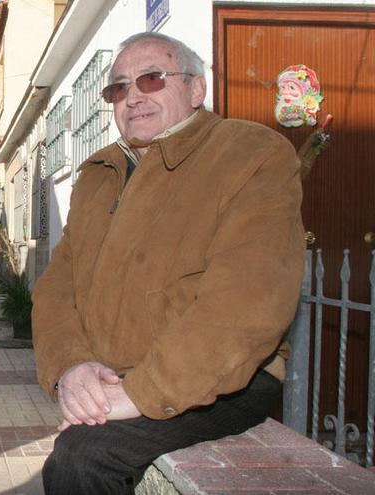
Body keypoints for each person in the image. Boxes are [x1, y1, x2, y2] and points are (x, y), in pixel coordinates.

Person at [31, 32, 305, 493]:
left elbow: (246, 304)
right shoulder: (99, 175)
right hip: (115, 374)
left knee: (81, 460)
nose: (132, 96)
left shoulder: (250, 154)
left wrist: (139, 394)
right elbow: (57, 288)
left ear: (196, 90)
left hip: (223, 380)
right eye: (118, 88)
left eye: (151, 79)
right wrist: (71, 368)